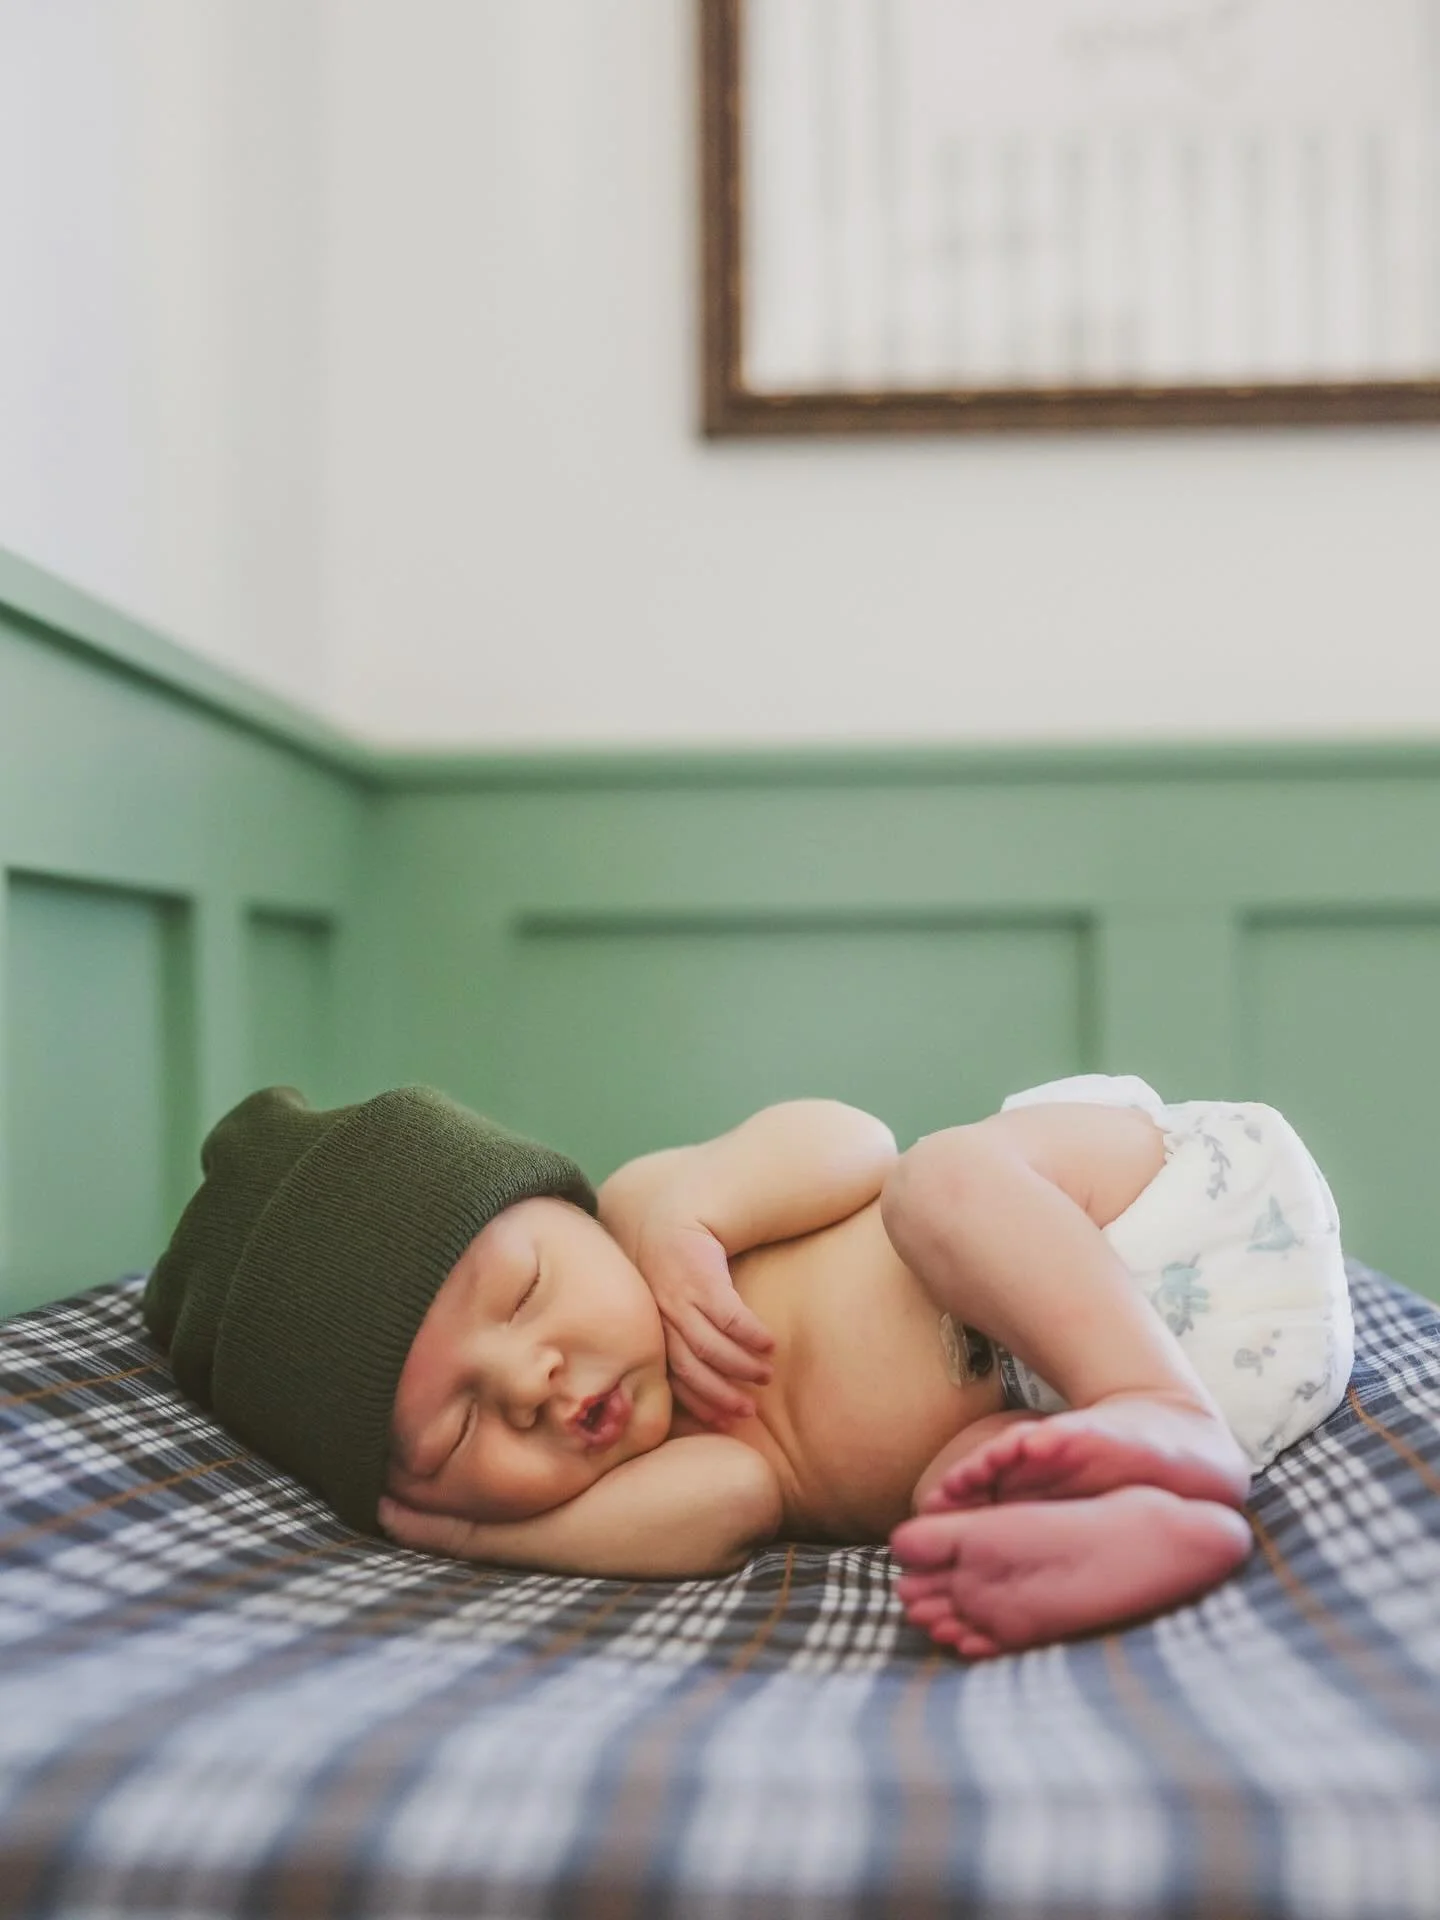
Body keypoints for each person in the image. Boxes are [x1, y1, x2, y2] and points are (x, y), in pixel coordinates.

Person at [144, 1075, 1352, 1657]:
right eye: (462, 1436)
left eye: (522, 1292)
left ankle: (1153, 1410)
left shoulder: (649, 1207)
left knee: (943, 1178)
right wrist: (488, 1544)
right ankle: (1154, 1515)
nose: (534, 1383)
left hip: (1133, 1221)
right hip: (1121, 1399)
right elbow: (741, 1499)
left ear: (561, 1203)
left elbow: (853, 1143)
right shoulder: (661, 1475)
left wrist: (699, 1216)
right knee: (954, 1503)